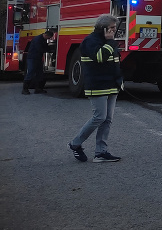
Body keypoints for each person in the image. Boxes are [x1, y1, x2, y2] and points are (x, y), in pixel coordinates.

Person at [67, 14, 123, 163]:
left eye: (114, 27)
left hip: (111, 86)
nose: (114, 30)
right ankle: (75, 143)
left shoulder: (106, 41)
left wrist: (119, 80)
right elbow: (100, 57)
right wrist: (111, 42)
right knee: (99, 117)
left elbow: (114, 61)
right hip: (98, 86)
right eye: (111, 28)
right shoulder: (90, 41)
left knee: (107, 120)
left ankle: (101, 152)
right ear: (103, 28)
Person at [23, 28, 55, 95]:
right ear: (46, 35)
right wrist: (49, 50)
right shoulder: (38, 40)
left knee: (39, 74)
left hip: (37, 58)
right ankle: (25, 89)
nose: (48, 39)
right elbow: (40, 49)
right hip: (32, 58)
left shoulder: (42, 39)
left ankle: (38, 89)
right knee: (31, 73)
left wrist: (50, 50)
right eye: (49, 37)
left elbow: (45, 47)